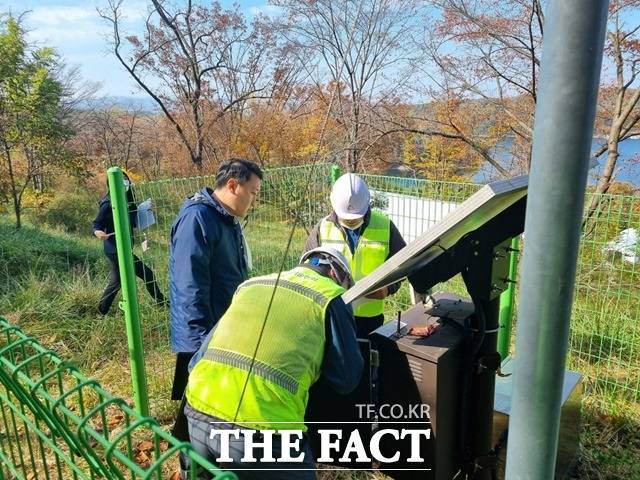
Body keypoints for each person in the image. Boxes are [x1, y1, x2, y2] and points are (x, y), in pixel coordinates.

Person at [184, 247, 363, 479]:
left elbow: (196, 360)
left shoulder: (252, 284)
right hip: (261, 429)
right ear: (337, 276)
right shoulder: (331, 295)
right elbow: (347, 379)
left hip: (197, 413)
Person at [168, 159, 263, 402]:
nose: (254, 201)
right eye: (252, 193)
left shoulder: (225, 219)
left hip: (223, 329)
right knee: (197, 408)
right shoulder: (197, 219)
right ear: (232, 185)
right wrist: (199, 344)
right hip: (203, 337)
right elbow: (189, 287)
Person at [304, 173, 406, 338]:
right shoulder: (322, 228)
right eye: (346, 217)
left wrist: (388, 289)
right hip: (333, 313)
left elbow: (403, 265)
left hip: (370, 319)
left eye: (355, 216)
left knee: (367, 360)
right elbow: (308, 269)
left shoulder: (385, 226)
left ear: (366, 203)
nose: (351, 220)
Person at [92, 172, 165, 315]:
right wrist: (98, 232)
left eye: (125, 180)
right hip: (115, 249)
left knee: (116, 282)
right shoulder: (108, 203)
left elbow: (134, 222)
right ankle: (162, 302)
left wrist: (146, 211)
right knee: (146, 274)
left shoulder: (128, 199)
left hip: (124, 247)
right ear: (111, 185)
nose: (124, 183)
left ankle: (101, 312)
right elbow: (96, 223)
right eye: (120, 181)